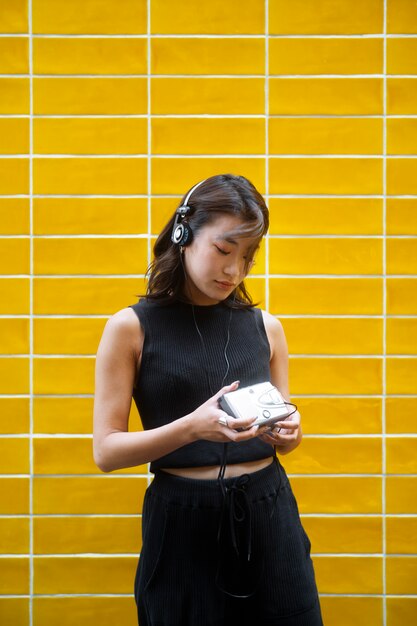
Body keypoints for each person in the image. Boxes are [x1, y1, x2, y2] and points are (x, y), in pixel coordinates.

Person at [93, 174, 323, 626]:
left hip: (269, 510)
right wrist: (190, 427)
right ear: (184, 235)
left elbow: (285, 436)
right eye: (223, 250)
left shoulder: (266, 327)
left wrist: (288, 432)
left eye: (247, 256)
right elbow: (105, 451)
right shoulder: (129, 328)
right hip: (181, 519)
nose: (234, 270)